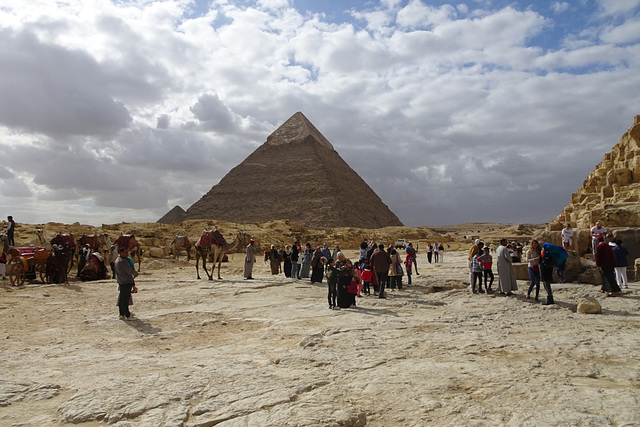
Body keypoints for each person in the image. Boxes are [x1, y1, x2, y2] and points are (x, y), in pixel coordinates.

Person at [115, 247, 139, 320]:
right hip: (126, 282)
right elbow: (129, 270)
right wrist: (136, 273)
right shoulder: (123, 261)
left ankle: (121, 314)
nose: (127, 254)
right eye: (125, 253)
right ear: (121, 253)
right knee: (125, 299)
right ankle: (127, 315)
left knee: (122, 298)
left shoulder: (117, 260)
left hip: (121, 281)